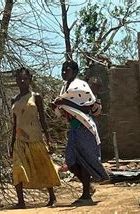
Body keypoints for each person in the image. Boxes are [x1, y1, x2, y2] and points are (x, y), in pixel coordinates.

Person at [52, 60, 109, 204]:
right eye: (63, 69)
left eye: (68, 69)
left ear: (75, 72)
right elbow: (62, 108)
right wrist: (59, 104)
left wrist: (63, 102)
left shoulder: (80, 86)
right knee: (71, 162)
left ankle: (86, 195)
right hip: (74, 129)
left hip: (84, 128)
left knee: (84, 161)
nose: (64, 72)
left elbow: (87, 107)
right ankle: (87, 187)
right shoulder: (65, 88)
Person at [10, 67, 61, 209]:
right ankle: (21, 202)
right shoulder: (14, 99)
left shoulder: (36, 97)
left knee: (43, 165)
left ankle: (52, 197)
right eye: (19, 78)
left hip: (35, 138)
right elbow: (14, 123)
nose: (22, 81)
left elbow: (43, 120)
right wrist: (12, 143)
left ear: (30, 80)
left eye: (25, 79)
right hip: (20, 139)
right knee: (18, 168)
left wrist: (48, 139)